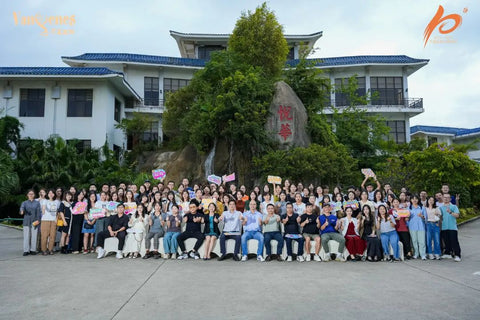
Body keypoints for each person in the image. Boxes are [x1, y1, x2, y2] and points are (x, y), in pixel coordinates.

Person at [439, 193, 461, 261]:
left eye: (447, 197)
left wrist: (450, 212)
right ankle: (448, 253)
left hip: (452, 227)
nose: (446, 199)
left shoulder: (454, 206)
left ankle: (457, 255)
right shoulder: (440, 207)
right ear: (442, 198)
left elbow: (457, 215)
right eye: (444, 197)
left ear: (450, 199)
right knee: (446, 241)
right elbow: (440, 217)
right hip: (444, 227)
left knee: (454, 241)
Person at [19, 190, 41, 256]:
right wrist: (21, 211)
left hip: (35, 221)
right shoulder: (24, 203)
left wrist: (38, 220)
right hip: (26, 221)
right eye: (29, 194)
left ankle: (33, 250)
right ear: (27, 195)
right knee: (26, 236)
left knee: (34, 236)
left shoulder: (37, 203)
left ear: (34, 195)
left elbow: (38, 212)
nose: (31, 195)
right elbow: (21, 208)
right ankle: (26, 250)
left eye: (32, 194)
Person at [41, 189, 60, 255]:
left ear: (54, 194)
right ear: (47, 194)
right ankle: (44, 250)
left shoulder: (57, 202)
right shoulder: (45, 201)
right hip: (45, 220)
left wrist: (56, 219)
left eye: (52, 193)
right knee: (44, 235)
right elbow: (43, 209)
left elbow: (58, 212)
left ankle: (50, 249)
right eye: (49, 193)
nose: (51, 194)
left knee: (53, 235)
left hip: (53, 220)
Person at [409, 195, 427, 260]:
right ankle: (416, 253)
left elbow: (425, 218)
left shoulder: (422, 208)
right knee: (414, 241)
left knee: (422, 241)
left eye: (416, 199)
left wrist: (422, 216)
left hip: (421, 227)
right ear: (411, 200)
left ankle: (423, 254)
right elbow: (407, 219)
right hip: (412, 227)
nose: (414, 200)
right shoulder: (409, 208)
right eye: (413, 199)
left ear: (418, 200)